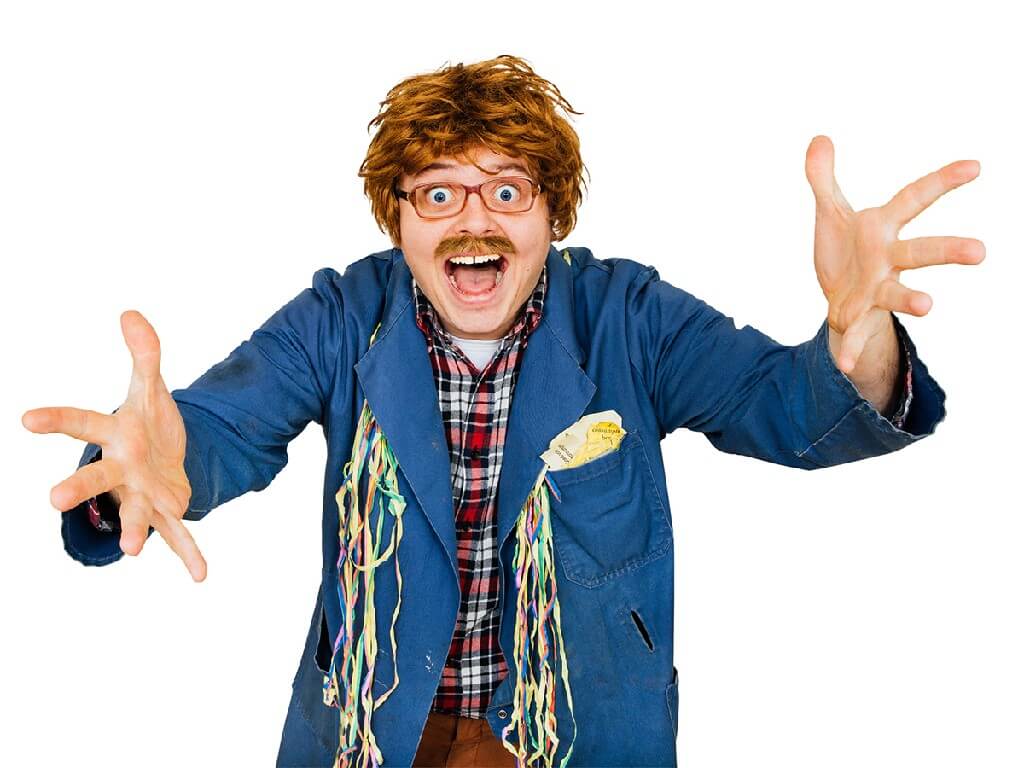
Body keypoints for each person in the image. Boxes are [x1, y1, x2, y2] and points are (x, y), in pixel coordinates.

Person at [23, 54, 983, 768]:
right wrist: (146, 471)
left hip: (579, 733)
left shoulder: (629, 317)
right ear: (398, 218)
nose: (473, 221)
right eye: (439, 193)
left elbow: (789, 409)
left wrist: (857, 339)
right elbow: (214, 430)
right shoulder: (341, 317)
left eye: (508, 191)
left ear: (553, 213)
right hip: (374, 735)